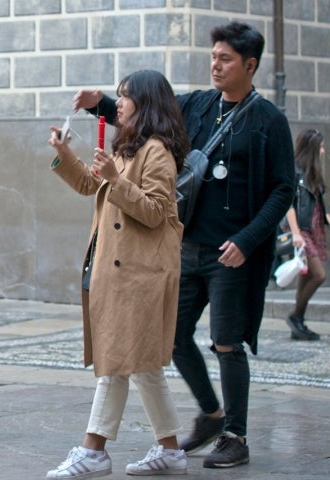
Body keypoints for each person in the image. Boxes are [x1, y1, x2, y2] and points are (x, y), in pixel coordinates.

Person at [74, 21, 294, 470]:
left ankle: (235, 433)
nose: (215, 64)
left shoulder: (269, 120)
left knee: (227, 342)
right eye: (214, 56)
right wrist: (102, 106)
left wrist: (249, 240)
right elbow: (144, 114)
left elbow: (282, 190)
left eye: (226, 58)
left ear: (250, 65)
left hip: (232, 252)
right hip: (186, 244)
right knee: (172, 338)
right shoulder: (196, 105)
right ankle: (210, 415)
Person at [45, 70, 191, 478]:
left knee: (116, 362)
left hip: (141, 274)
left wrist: (114, 179)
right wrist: (64, 153)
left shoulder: (157, 152)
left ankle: (93, 451)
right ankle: (171, 450)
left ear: (147, 104)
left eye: (126, 97)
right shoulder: (129, 148)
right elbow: (88, 186)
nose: (119, 103)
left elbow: (156, 211)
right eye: (120, 96)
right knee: (141, 365)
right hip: (115, 269)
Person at [282, 129, 327, 341]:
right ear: (312, 148)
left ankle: (298, 325)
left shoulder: (311, 173)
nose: (323, 150)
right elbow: (287, 205)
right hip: (301, 229)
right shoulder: (296, 172)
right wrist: (296, 233)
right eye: (320, 146)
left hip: (313, 227)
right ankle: (295, 316)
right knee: (319, 275)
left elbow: (315, 205)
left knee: (307, 274)